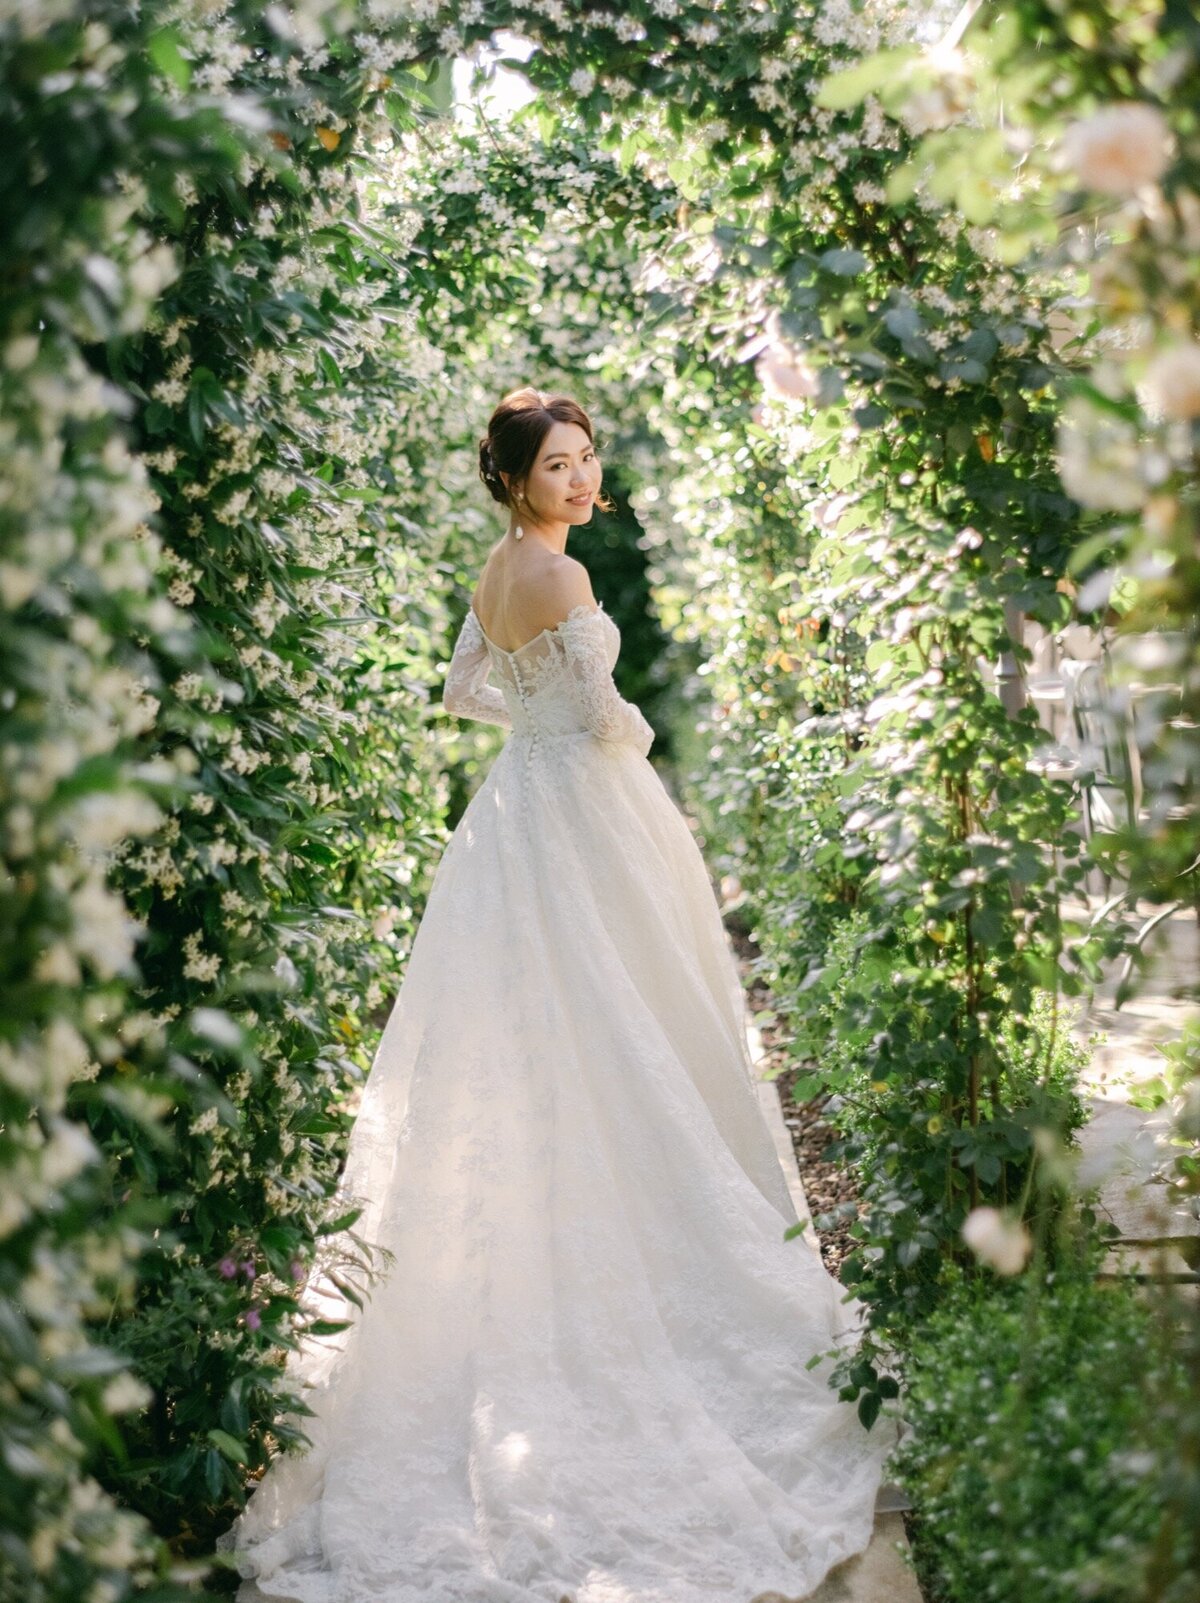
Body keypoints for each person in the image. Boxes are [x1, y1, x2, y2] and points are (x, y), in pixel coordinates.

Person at [217, 386, 895, 1603]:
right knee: (625, 1028)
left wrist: (540, 717)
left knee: (538, 1043)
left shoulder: (497, 571)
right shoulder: (564, 582)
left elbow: (468, 689)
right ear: (518, 477)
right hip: (579, 812)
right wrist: (623, 726)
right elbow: (596, 719)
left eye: (587, 461)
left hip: (510, 819)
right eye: (558, 465)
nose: (580, 481)